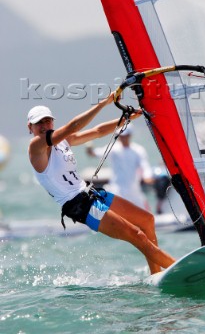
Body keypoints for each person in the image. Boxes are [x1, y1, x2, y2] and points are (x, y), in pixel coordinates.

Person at [27, 93, 175, 274]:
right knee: (137, 236)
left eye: (47, 121)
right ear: (30, 127)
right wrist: (103, 103)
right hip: (78, 205)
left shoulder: (63, 142)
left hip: (91, 193)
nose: (44, 126)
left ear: (52, 122)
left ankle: (157, 275)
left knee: (147, 220)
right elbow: (73, 126)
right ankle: (180, 270)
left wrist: (126, 119)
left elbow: (97, 132)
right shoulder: (36, 147)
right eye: (39, 123)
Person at [86, 124, 152, 211]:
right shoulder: (113, 148)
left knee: (144, 214)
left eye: (125, 135)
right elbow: (97, 153)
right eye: (121, 135)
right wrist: (90, 150)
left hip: (134, 190)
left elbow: (145, 165)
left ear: (129, 135)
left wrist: (148, 176)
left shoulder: (138, 150)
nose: (122, 138)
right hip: (117, 189)